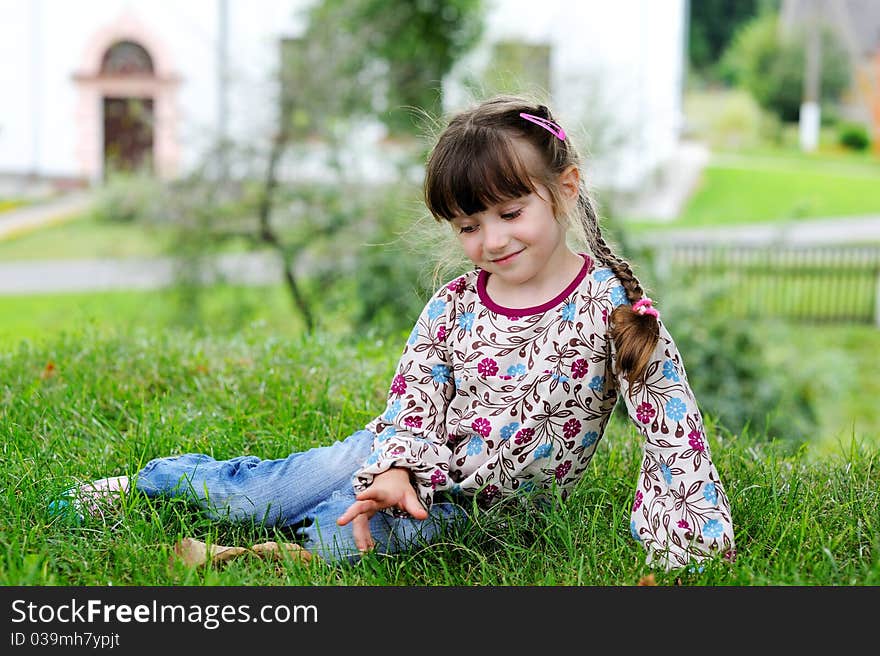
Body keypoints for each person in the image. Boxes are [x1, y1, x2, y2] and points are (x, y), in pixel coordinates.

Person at [51, 95, 736, 571]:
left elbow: (672, 429)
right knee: (265, 496)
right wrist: (398, 466)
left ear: (564, 188)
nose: (492, 239)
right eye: (469, 226)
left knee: (344, 543)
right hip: (396, 458)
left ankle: (293, 542)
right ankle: (152, 485)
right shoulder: (454, 305)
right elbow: (416, 396)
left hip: (482, 510)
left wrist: (692, 540)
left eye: (509, 211)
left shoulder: (611, 308)